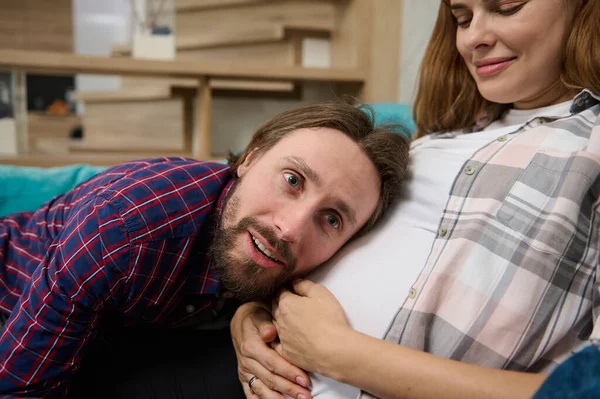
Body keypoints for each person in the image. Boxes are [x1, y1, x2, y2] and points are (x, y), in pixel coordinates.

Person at [231, 0, 600, 398]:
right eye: (462, 19)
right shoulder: (431, 144)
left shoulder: (589, 149)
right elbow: (310, 239)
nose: (473, 38)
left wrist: (337, 353)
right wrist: (252, 318)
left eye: (506, 7)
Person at [0, 102, 410, 398]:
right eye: (292, 180)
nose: (289, 228)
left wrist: (253, 314)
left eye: (332, 219)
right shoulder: (124, 228)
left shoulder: (303, 262)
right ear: (250, 156)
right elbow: (20, 389)